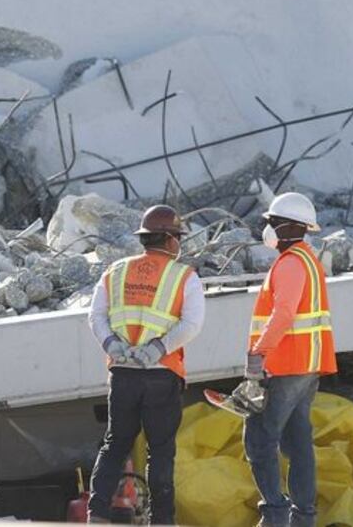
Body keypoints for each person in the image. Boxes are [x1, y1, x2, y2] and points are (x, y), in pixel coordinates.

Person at [86, 205, 205, 525]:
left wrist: (111, 344)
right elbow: (192, 324)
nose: (179, 243)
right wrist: (158, 349)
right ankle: (161, 520)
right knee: (160, 450)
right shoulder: (184, 277)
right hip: (161, 375)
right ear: (170, 239)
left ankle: (97, 515)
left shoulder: (115, 272)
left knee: (115, 443)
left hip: (123, 374)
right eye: (178, 237)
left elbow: (96, 316)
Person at [230, 192, 336, 527]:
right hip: (306, 366)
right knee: (298, 442)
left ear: (291, 226)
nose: (268, 228)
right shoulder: (308, 260)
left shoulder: (290, 263)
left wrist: (258, 353)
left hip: (286, 365)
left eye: (273, 222)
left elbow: (284, 313)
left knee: (259, 438)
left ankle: (274, 515)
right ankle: (303, 518)